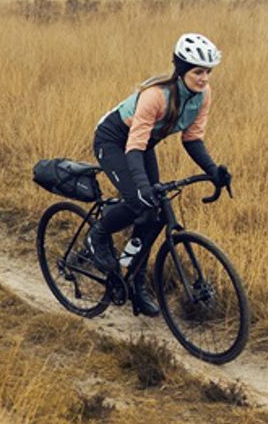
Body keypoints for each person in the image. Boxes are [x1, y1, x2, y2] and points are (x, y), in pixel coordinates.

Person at [86, 33, 232, 315]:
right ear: (181, 70)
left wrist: (214, 172)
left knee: (154, 215)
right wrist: (140, 187)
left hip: (143, 145)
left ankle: (136, 283)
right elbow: (134, 145)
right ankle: (97, 235)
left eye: (208, 72)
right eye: (197, 72)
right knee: (137, 199)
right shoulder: (155, 95)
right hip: (115, 140)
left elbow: (192, 139)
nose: (204, 78)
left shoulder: (203, 96)